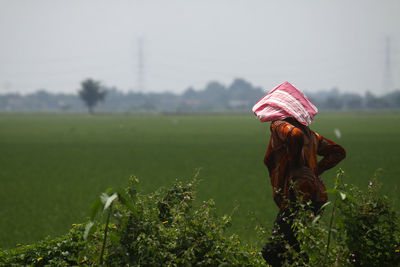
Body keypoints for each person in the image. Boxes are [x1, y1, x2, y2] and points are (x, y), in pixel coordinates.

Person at [252, 82, 346, 266]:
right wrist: (315, 170)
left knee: (272, 251)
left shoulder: (279, 126)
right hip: (316, 197)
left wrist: (296, 167)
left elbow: (293, 135)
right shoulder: (312, 135)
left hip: (296, 196)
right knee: (294, 247)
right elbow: (337, 152)